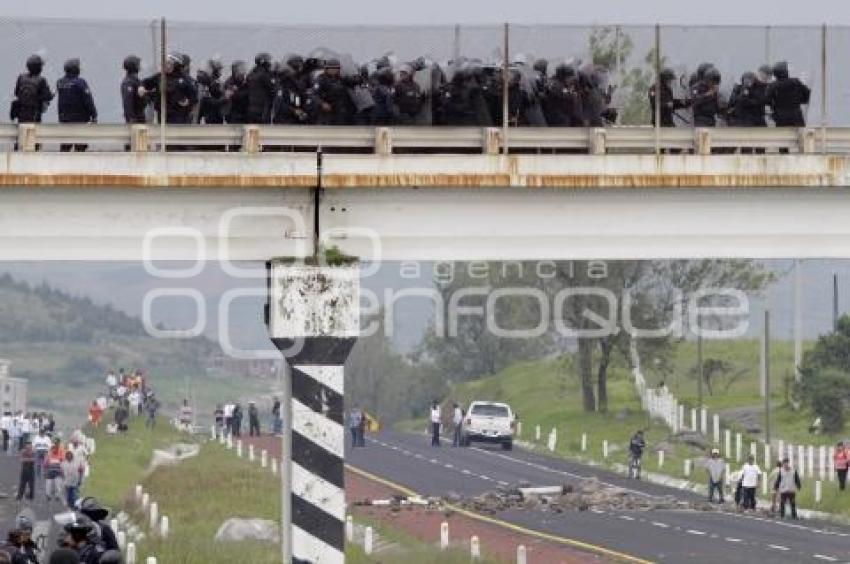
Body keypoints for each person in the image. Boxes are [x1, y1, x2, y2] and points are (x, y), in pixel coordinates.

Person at [56, 58, 97, 152]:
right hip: (80, 120)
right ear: (76, 69)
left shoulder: (60, 82)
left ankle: (62, 165)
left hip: (64, 119)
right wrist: (94, 115)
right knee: (80, 146)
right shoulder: (81, 82)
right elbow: (88, 100)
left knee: (65, 146)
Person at [11, 54, 53, 125]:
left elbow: (16, 93)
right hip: (35, 114)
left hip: (22, 113)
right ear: (39, 67)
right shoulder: (41, 80)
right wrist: (52, 95)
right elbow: (47, 97)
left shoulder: (21, 77)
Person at [766, 61, 810, 128]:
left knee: (783, 136)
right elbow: (807, 94)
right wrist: (800, 100)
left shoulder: (772, 86)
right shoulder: (795, 82)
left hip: (780, 117)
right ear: (785, 72)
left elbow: (767, 101)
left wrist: (774, 112)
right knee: (800, 135)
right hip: (796, 116)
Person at [245, 52, 276, 124]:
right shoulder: (264, 75)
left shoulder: (251, 74)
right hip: (262, 108)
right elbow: (272, 88)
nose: (270, 63)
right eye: (268, 61)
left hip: (251, 107)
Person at [121, 56, 147, 126]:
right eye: (138, 64)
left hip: (140, 116)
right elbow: (127, 102)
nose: (140, 66)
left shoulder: (136, 80)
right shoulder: (129, 82)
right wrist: (131, 118)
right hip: (135, 118)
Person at [44, 437, 65, 504]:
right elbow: (46, 462)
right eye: (55, 443)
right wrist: (45, 469)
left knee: (58, 483)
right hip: (50, 470)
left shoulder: (61, 450)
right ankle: (48, 495)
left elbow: (63, 460)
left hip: (58, 470)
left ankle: (57, 496)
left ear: (59, 443)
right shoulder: (50, 451)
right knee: (48, 483)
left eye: (57, 443)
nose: (56, 444)